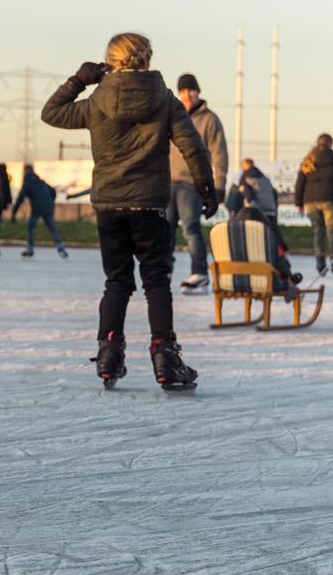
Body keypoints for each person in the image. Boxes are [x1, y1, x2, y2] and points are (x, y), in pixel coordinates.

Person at [41, 32, 214, 391]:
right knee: (156, 282)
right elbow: (193, 147)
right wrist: (206, 187)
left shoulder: (95, 100)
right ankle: (165, 356)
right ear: (146, 60)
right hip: (151, 203)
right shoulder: (165, 99)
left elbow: (51, 112)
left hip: (109, 203)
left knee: (117, 282)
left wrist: (78, 80)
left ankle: (109, 354)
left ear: (110, 61)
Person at [169, 74, 231, 291]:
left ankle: (200, 272)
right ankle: (164, 269)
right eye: (183, 91)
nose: (187, 95)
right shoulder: (172, 114)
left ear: (198, 92)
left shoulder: (209, 119)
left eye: (191, 90)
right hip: (167, 181)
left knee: (190, 228)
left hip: (191, 182)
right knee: (164, 229)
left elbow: (219, 153)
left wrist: (219, 184)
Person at [224, 158, 302, 293]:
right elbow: (273, 195)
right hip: (269, 212)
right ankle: (286, 277)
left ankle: (285, 273)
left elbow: (246, 192)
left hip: (235, 279)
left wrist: (250, 203)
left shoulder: (245, 177)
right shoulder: (265, 179)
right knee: (272, 247)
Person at [293, 134, 333, 277]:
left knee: (318, 232)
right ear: (331, 143)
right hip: (331, 199)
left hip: (310, 200)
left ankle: (320, 266)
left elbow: (300, 182)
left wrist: (299, 203)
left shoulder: (308, 160)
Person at [12, 162, 68, 259]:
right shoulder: (40, 181)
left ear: (25, 171)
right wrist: (50, 201)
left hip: (37, 208)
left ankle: (30, 249)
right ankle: (60, 247)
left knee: (30, 227)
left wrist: (14, 212)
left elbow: (21, 197)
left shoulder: (27, 182)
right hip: (48, 206)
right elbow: (52, 191)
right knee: (52, 228)